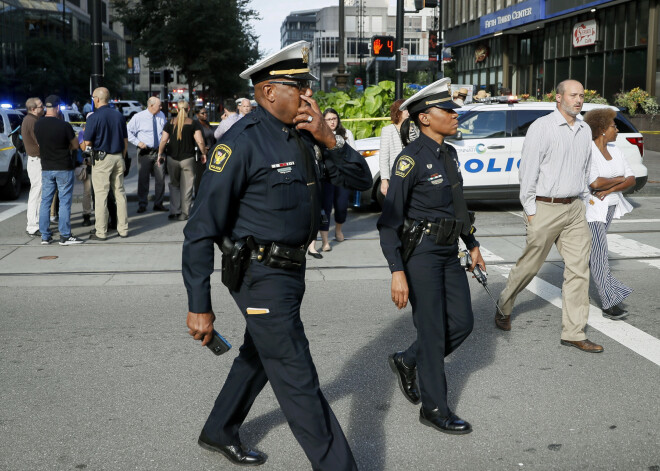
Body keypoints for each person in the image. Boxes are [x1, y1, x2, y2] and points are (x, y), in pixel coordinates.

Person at [182, 41, 371, 469]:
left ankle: (219, 428)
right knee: (297, 375)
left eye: (308, 86)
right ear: (269, 93)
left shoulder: (304, 136)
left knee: (260, 353)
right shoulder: (242, 144)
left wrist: (330, 137)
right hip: (258, 274)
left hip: (290, 270)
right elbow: (199, 230)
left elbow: (359, 179)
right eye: (299, 87)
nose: (309, 95)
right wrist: (199, 307)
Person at [378, 78, 485, 435]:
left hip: (448, 249)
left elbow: (458, 206)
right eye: (448, 111)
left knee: (463, 322)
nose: (455, 117)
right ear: (425, 118)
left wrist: (472, 244)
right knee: (432, 329)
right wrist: (397, 270)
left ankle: (408, 359)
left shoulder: (449, 154)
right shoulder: (410, 160)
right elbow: (389, 221)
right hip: (421, 253)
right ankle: (435, 408)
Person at [495, 80, 603, 352]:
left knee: (579, 269)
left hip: (575, 209)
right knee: (530, 266)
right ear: (559, 97)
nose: (579, 100)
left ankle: (574, 331)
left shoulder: (585, 128)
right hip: (545, 208)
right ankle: (504, 304)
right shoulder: (541, 128)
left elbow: (585, 169)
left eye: (581, 96)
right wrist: (531, 212)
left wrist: (584, 201)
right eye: (573, 95)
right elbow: (528, 173)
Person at [582, 108, 635, 319]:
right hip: (594, 208)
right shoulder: (589, 151)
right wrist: (618, 179)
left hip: (611, 204)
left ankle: (578, 283)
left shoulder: (616, 150)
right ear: (602, 129)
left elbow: (630, 179)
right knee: (599, 255)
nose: (617, 129)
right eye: (614, 126)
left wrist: (611, 188)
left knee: (592, 254)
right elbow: (594, 182)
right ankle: (609, 301)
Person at [34, 95, 84, 245]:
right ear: (57, 108)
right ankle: (65, 235)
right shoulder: (64, 126)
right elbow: (75, 145)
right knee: (64, 202)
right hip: (63, 166)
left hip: (46, 167)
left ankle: (45, 235)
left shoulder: (38, 125)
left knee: (45, 202)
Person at [307, 108, 355, 258]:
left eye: (334, 118)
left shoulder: (346, 134)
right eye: (328, 119)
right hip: (325, 177)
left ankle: (339, 230)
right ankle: (325, 241)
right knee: (325, 209)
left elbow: (354, 154)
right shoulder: (319, 134)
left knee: (341, 207)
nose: (332, 121)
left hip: (342, 177)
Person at [84, 87, 130, 240]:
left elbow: (87, 142)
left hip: (102, 159)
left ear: (97, 99)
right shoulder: (119, 116)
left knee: (101, 195)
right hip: (118, 156)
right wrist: (122, 157)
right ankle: (123, 229)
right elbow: (125, 141)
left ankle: (101, 232)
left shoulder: (93, 117)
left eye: (93, 98)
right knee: (120, 193)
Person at [157, 100, 207, 221]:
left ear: (177, 110)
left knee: (174, 185)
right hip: (188, 159)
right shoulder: (193, 123)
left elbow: (163, 140)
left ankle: (174, 211)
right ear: (188, 109)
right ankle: (185, 213)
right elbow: (200, 141)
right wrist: (203, 153)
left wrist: (160, 153)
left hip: (172, 158)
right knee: (187, 186)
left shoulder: (170, 123)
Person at [127, 96, 167, 213]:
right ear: (150, 105)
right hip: (145, 152)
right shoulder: (139, 117)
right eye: (159, 105)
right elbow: (127, 131)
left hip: (159, 151)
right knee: (143, 179)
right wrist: (138, 142)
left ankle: (158, 203)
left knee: (160, 178)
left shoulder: (161, 115)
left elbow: (163, 130)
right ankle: (142, 203)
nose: (161, 107)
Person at [378, 99, 418, 198]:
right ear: (398, 112)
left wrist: (413, 130)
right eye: (405, 110)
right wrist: (384, 181)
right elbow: (384, 157)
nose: (408, 113)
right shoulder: (388, 130)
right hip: (397, 175)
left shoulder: (415, 128)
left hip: (414, 174)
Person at [22, 97, 44, 237]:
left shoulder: (29, 120)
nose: (43, 108)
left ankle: (34, 223)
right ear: (33, 109)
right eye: (41, 106)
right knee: (37, 193)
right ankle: (33, 226)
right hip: (36, 160)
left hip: (34, 160)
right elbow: (40, 142)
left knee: (37, 192)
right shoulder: (32, 122)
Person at [194, 107, 216, 194]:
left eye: (206, 112)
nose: (205, 114)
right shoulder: (196, 124)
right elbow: (196, 139)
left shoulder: (207, 123)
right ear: (197, 115)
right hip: (201, 153)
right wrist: (202, 147)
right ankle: (198, 195)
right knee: (199, 176)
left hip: (211, 152)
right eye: (202, 113)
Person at [76, 123, 93, 226]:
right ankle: (86, 215)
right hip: (87, 164)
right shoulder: (82, 133)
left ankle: (103, 216)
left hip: (100, 163)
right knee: (87, 191)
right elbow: (83, 147)